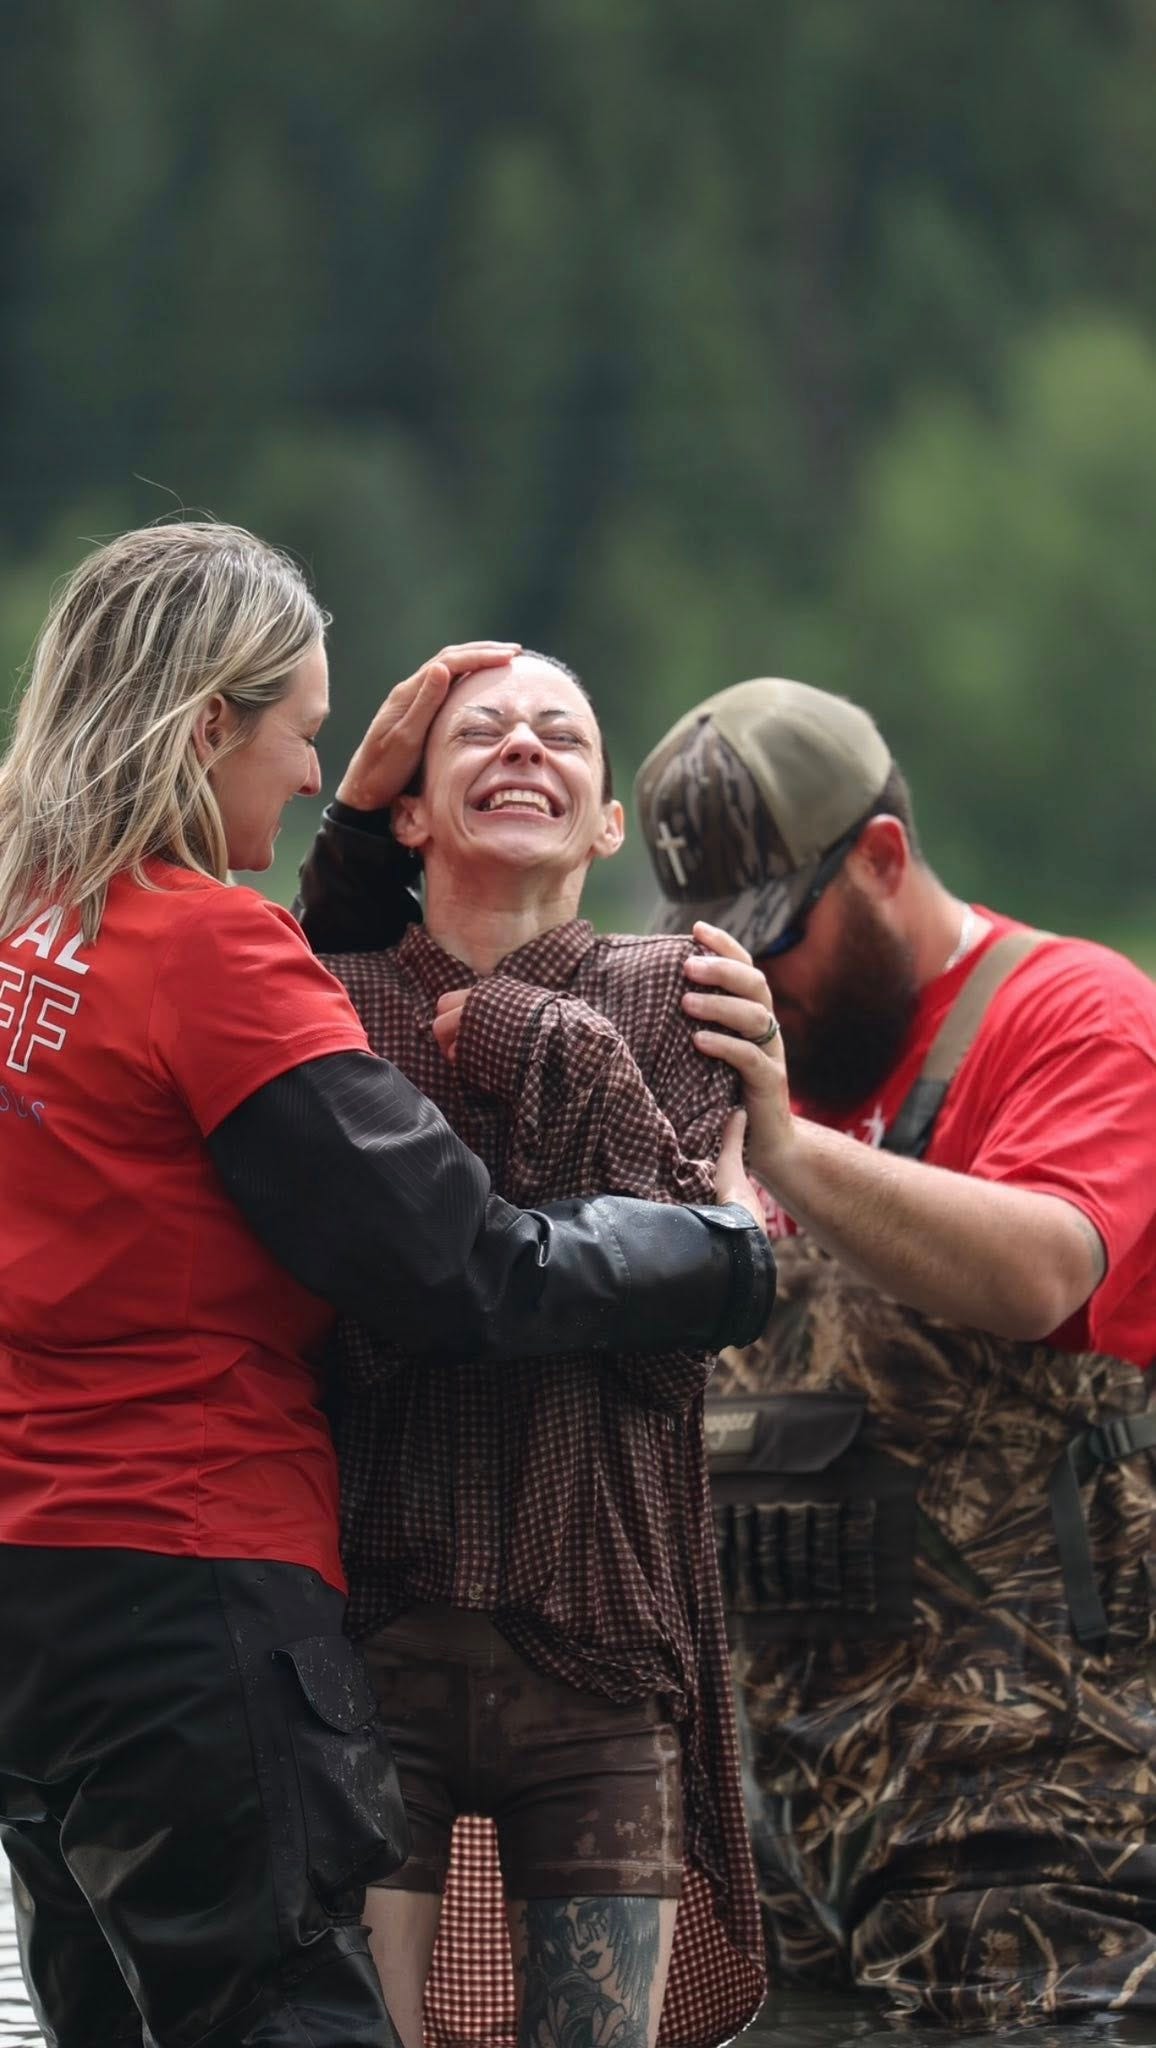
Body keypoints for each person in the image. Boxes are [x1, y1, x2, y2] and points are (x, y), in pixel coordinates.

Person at [0, 528, 774, 2048]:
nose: (309, 780)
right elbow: (462, 1269)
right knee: (285, 2016)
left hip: (34, 1580)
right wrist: (723, 1253)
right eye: (304, 740)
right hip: (192, 1575)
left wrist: (366, 838)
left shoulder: (38, 928)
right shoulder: (209, 953)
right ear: (208, 723)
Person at [630, 676, 1156, 2028]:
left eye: (778, 938)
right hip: (786, 1829)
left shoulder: (1074, 1015)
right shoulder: (726, 1076)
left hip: (1045, 1833)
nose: (756, 984)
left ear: (882, 859)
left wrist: (792, 1154)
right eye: (715, 950)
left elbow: (1046, 1268)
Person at [295, 652, 769, 2048]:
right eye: (482, 733)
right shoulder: (325, 998)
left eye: (562, 734)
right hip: (370, 1634)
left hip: (606, 1645)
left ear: (607, 821)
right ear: (413, 814)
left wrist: (542, 1039)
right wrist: (630, 1217)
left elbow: (669, 1350)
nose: (523, 749)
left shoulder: (686, 992)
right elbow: (357, 1317)